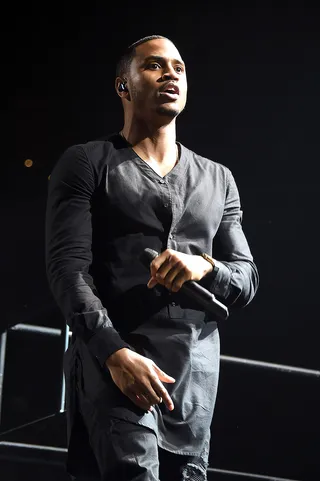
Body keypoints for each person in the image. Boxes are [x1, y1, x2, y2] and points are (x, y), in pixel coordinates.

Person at [45, 35, 259, 481]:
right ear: (124, 86)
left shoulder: (219, 179)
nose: (171, 75)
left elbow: (245, 279)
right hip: (117, 359)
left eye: (178, 68)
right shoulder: (87, 162)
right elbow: (68, 271)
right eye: (155, 66)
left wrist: (205, 265)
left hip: (193, 377)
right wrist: (114, 355)